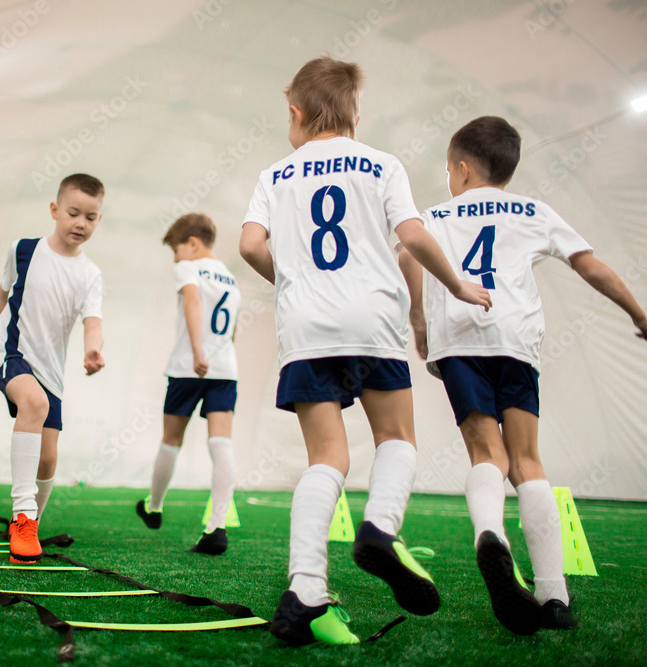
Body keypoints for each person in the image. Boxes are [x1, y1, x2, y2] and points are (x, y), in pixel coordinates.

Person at [239, 56, 492, 646]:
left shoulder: (275, 175)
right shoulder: (382, 164)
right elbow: (411, 236)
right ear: (356, 115)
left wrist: (293, 283)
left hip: (306, 328)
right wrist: (455, 285)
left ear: (296, 113)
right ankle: (380, 526)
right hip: (372, 320)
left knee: (326, 458)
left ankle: (304, 590)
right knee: (396, 439)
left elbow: (251, 244)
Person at [398, 115, 647, 635]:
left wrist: (418, 319)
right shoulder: (534, 210)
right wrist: (638, 313)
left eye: (449, 169)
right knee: (528, 460)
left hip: (461, 339)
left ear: (462, 169)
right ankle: (554, 595)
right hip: (515, 339)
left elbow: (408, 254)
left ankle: (491, 534)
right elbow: (589, 264)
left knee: (486, 453)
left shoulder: (436, 213)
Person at [0, 173, 106, 563]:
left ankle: (31, 521)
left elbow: (93, 321)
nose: (80, 223)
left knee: (49, 458)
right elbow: (2, 296)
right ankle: (22, 516)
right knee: (34, 405)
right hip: (11, 352)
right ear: (55, 210)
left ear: (98, 221)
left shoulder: (90, 274)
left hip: (51, 370)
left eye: (90, 217)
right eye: (73, 213)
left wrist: (93, 350)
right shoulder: (22, 250)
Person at [135, 213, 240, 555]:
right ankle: (217, 527)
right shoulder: (230, 278)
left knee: (171, 439)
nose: (175, 258)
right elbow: (233, 329)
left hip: (188, 368)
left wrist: (197, 350)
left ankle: (154, 506)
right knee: (221, 444)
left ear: (193, 244)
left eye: (176, 250)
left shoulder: (187, 268)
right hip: (225, 369)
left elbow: (192, 301)